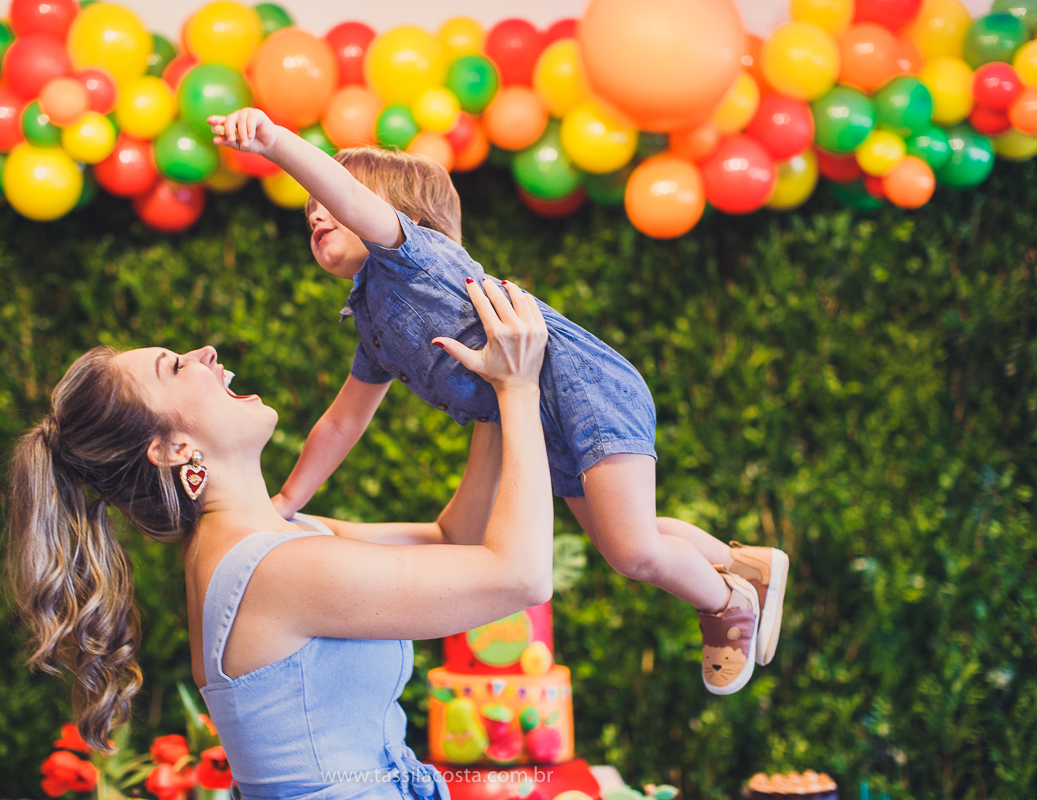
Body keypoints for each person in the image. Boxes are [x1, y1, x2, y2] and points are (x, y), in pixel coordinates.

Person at [208, 107, 790, 695]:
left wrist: (276, 144)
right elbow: (341, 422)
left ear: (396, 212)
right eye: (309, 212)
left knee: (632, 552)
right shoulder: (372, 324)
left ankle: (727, 604)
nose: (315, 213)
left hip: (583, 389)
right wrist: (284, 501)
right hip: (539, 421)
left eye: (326, 201)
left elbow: (353, 202)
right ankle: (746, 564)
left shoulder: (415, 258)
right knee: (625, 536)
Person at [6, 278, 554, 800]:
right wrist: (518, 388)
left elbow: (452, 538)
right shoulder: (274, 571)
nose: (205, 353)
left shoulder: (279, 538)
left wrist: (491, 402)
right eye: (175, 366)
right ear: (172, 448)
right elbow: (521, 576)